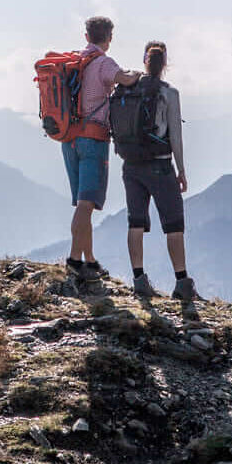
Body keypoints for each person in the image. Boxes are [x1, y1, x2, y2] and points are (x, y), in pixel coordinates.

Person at [65, 16, 140, 283]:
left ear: (86, 37)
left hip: (69, 139)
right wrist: (136, 73)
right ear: (109, 38)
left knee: (82, 203)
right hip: (93, 139)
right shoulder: (104, 62)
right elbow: (125, 80)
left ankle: (91, 260)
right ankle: (75, 260)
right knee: (86, 204)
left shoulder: (75, 61)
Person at [123, 41, 198, 302]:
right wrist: (181, 170)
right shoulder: (169, 93)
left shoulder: (126, 89)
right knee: (174, 224)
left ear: (144, 60)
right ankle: (182, 284)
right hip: (160, 164)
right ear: (165, 63)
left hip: (130, 165)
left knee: (136, 221)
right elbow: (175, 136)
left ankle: (139, 280)